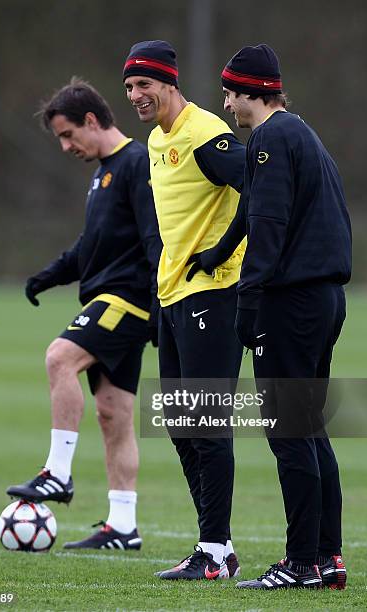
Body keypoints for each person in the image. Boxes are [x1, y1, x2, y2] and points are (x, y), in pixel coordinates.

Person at [189, 44, 351, 590]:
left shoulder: (269, 140)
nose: (227, 102)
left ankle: (300, 561)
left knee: (288, 433)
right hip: (325, 298)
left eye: (230, 92)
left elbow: (271, 224)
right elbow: (250, 210)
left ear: (249, 92)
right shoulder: (298, 134)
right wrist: (217, 254)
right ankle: (328, 559)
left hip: (292, 303)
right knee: (310, 430)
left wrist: (249, 301)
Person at [6, 77, 162, 551]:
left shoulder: (136, 163)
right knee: (113, 412)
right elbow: (90, 246)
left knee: (59, 358)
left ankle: (57, 473)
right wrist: (48, 276)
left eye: (68, 134)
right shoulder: (102, 173)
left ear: (91, 121)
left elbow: (157, 238)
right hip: (112, 298)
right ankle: (123, 525)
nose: (65, 146)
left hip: (127, 301)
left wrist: (161, 305)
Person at [123, 40, 246, 580]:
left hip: (214, 294)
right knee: (177, 423)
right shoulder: (155, 140)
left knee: (207, 424)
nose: (135, 95)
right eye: (128, 86)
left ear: (168, 83)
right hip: (173, 296)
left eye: (143, 84)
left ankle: (215, 550)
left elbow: (260, 187)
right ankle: (212, 544)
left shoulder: (205, 133)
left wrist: (222, 253)